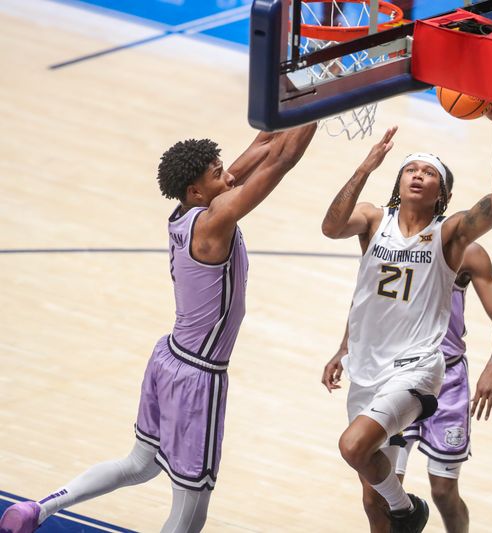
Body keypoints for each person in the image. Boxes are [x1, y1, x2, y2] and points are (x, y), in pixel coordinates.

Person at [0, 123, 317, 533]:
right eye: (220, 174)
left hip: (168, 357)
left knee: (138, 464)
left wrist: (301, 101)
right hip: (198, 375)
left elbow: (265, 144)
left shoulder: (190, 209)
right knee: (191, 511)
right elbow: (283, 159)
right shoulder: (213, 221)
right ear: (197, 192)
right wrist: (329, 102)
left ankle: (38, 510)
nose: (231, 175)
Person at [320, 105, 492, 532]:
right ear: (399, 180)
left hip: (420, 367)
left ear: (441, 192)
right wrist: (366, 166)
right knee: (373, 499)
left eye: (429, 172)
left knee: (357, 449)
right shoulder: (373, 220)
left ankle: (408, 510)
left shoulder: (449, 236)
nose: (418, 175)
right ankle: (402, 510)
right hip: (369, 366)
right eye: (412, 169)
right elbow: (332, 228)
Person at [323, 238, 492, 533]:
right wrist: (344, 346)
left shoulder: (467, 251)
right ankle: (407, 512)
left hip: (447, 379)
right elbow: (366, 299)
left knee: (443, 491)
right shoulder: (390, 242)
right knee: (378, 496)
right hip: (399, 376)